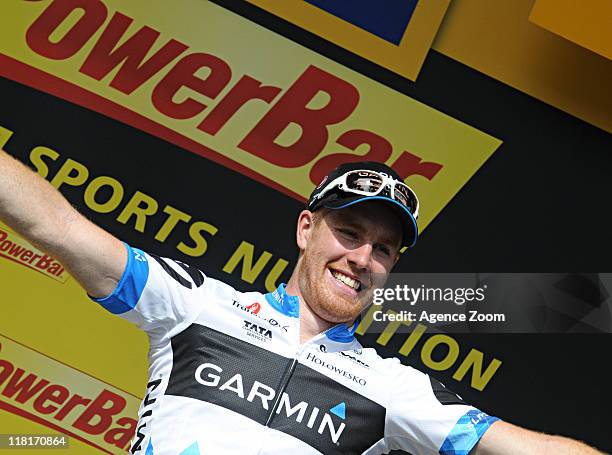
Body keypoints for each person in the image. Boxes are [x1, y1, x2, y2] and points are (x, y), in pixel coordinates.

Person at [0, 152, 603, 455]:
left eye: (384, 249)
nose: (363, 258)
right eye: (349, 233)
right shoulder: (198, 306)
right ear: (305, 228)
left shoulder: (392, 388)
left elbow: (535, 450)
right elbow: (57, 225)